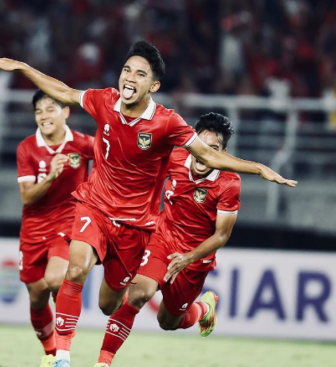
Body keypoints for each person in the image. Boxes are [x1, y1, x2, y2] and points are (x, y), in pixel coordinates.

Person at [0, 40, 297, 367]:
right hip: (94, 206)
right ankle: (62, 356)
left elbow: (208, 157)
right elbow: (64, 91)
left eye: (140, 73)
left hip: (135, 228)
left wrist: (259, 168)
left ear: (154, 85)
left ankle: (202, 309)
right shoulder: (104, 100)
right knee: (75, 269)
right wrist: (23, 67)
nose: (129, 78)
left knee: (116, 306)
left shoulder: (168, 124)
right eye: (126, 70)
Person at [95, 112, 240, 366]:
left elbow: (222, 235)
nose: (205, 153)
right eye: (201, 145)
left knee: (168, 321)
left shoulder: (229, 182)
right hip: (162, 238)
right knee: (138, 294)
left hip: (195, 259)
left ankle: (204, 309)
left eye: (213, 149)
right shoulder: (175, 157)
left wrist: (188, 258)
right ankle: (103, 362)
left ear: (224, 152)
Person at [16, 90, 94, 367]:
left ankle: (63, 355)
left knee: (56, 280)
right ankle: (51, 355)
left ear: (66, 112)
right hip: (33, 230)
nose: (44, 116)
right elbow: (26, 197)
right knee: (37, 296)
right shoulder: (27, 148)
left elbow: (114, 157)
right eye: (39, 111)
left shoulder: (84, 144)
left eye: (50, 109)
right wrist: (50, 177)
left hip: (67, 225)